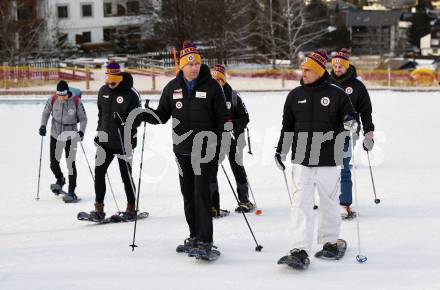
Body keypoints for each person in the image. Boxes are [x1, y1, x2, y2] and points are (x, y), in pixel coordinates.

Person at [142, 41, 228, 259]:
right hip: (182, 151)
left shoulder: (212, 87)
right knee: (188, 195)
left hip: (205, 150)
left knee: (201, 194)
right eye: (189, 64)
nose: (193, 67)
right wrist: (145, 114)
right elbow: (161, 116)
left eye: (197, 63)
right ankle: (194, 236)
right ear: (181, 66)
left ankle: (206, 240)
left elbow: (221, 119)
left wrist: (217, 144)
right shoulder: (172, 88)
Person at [275, 50, 356, 268]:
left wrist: (350, 122)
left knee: (329, 202)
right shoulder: (294, 95)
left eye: (308, 69)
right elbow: (287, 127)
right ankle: (299, 248)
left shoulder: (337, 94)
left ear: (319, 71)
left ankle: (330, 242)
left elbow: (350, 117)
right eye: (303, 69)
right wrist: (281, 150)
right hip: (302, 159)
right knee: (300, 203)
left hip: (329, 157)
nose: (304, 72)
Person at [89, 61, 143, 220]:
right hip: (105, 142)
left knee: (125, 175)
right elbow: (101, 116)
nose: (111, 84)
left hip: (123, 141)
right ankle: (99, 208)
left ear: (119, 77)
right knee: (99, 172)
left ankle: (131, 207)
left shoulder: (131, 93)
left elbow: (138, 118)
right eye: (109, 81)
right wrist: (99, 133)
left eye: (114, 81)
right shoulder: (103, 91)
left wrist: (125, 120)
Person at [330, 48, 375, 219]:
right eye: (334, 65)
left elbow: (366, 111)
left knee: (343, 167)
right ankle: (326, 201)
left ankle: (344, 204)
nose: (337, 68)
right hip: (325, 132)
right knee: (322, 169)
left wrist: (369, 133)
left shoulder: (357, 86)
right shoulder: (325, 83)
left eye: (341, 65)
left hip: (347, 132)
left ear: (347, 66)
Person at [209, 64, 254, 217]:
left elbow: (245, 117)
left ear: (223, 80)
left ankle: (244, 200)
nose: (215, 82)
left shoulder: (233, 95)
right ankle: (213, 206)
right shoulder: (207, 95)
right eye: (213, 79)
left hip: (233, 138)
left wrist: (233, 125)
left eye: (218, 79)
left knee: (237, 167)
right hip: (214, 138)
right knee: (210, 170)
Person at [39, 80, 87, 202]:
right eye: (59, 95)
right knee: (53, 164)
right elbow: (45, 113)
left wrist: (81, 131)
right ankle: (60, 179)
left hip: (71, 135)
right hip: (55, 135)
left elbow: (83, 119)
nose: (61, 98)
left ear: (68, 93)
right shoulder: (53, 99)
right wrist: (43, 126)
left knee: (70, 164)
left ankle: (71, 191)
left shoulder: (76, 101)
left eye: (63, 95)